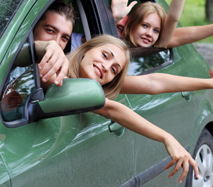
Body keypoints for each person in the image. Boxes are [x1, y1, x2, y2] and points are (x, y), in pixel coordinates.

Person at [38, 34, 199, 184]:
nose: (107, 67)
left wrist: (211, 83)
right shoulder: (54, 70)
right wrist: (49, 45)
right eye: (105, 55)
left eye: (114, 70)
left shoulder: (91, 91)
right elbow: (111, 108)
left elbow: (151, 83)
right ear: (86, 49)